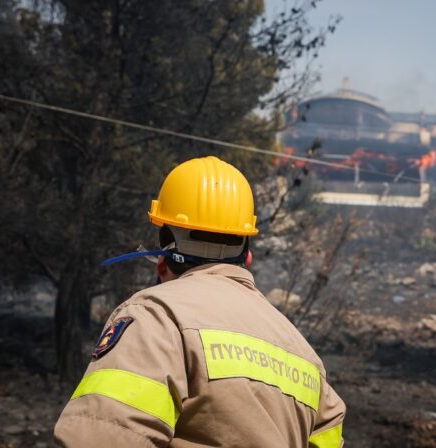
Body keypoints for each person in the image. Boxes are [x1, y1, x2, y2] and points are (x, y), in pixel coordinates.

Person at [53, 156, 345, 447]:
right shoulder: (304, 356)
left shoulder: (156, 318)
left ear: (162, 263)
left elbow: (100, 438)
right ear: (247, 257)